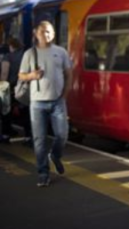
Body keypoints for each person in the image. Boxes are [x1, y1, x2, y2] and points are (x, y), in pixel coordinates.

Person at [19, 21, 73, 187]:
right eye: (43, 32)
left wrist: (64, 95)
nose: (46, 34)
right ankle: (43, 173)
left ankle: (55, 156)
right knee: (40, 140)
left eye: (49, 31)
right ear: (36, 34)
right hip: (37, 103)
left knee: (62, 135)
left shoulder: (61, 52)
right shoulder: (30, 53)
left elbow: (68, 73)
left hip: (58, 102)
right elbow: (21, 76)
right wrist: (32, 76)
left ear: (54, 34)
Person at [0, 38, 32, 146]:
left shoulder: (8, 57)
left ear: (11, 46)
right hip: (24, 88)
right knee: (25, 112)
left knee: (6, 112)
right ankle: (28, 137)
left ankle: (6, 135)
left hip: (10, 88)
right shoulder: (26, 56)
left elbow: (4, 73)